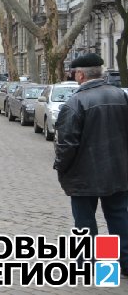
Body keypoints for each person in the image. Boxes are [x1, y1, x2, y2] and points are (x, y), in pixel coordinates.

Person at [54, 53, 128, 274]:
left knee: (85, 220)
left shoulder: (75, 102)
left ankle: (87, 263)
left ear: (80, 74)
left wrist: (61, 167)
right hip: (118, 171)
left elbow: (66, 144)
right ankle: (125, 261)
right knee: (119, 215)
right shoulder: (121, 96)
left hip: (83, 175)